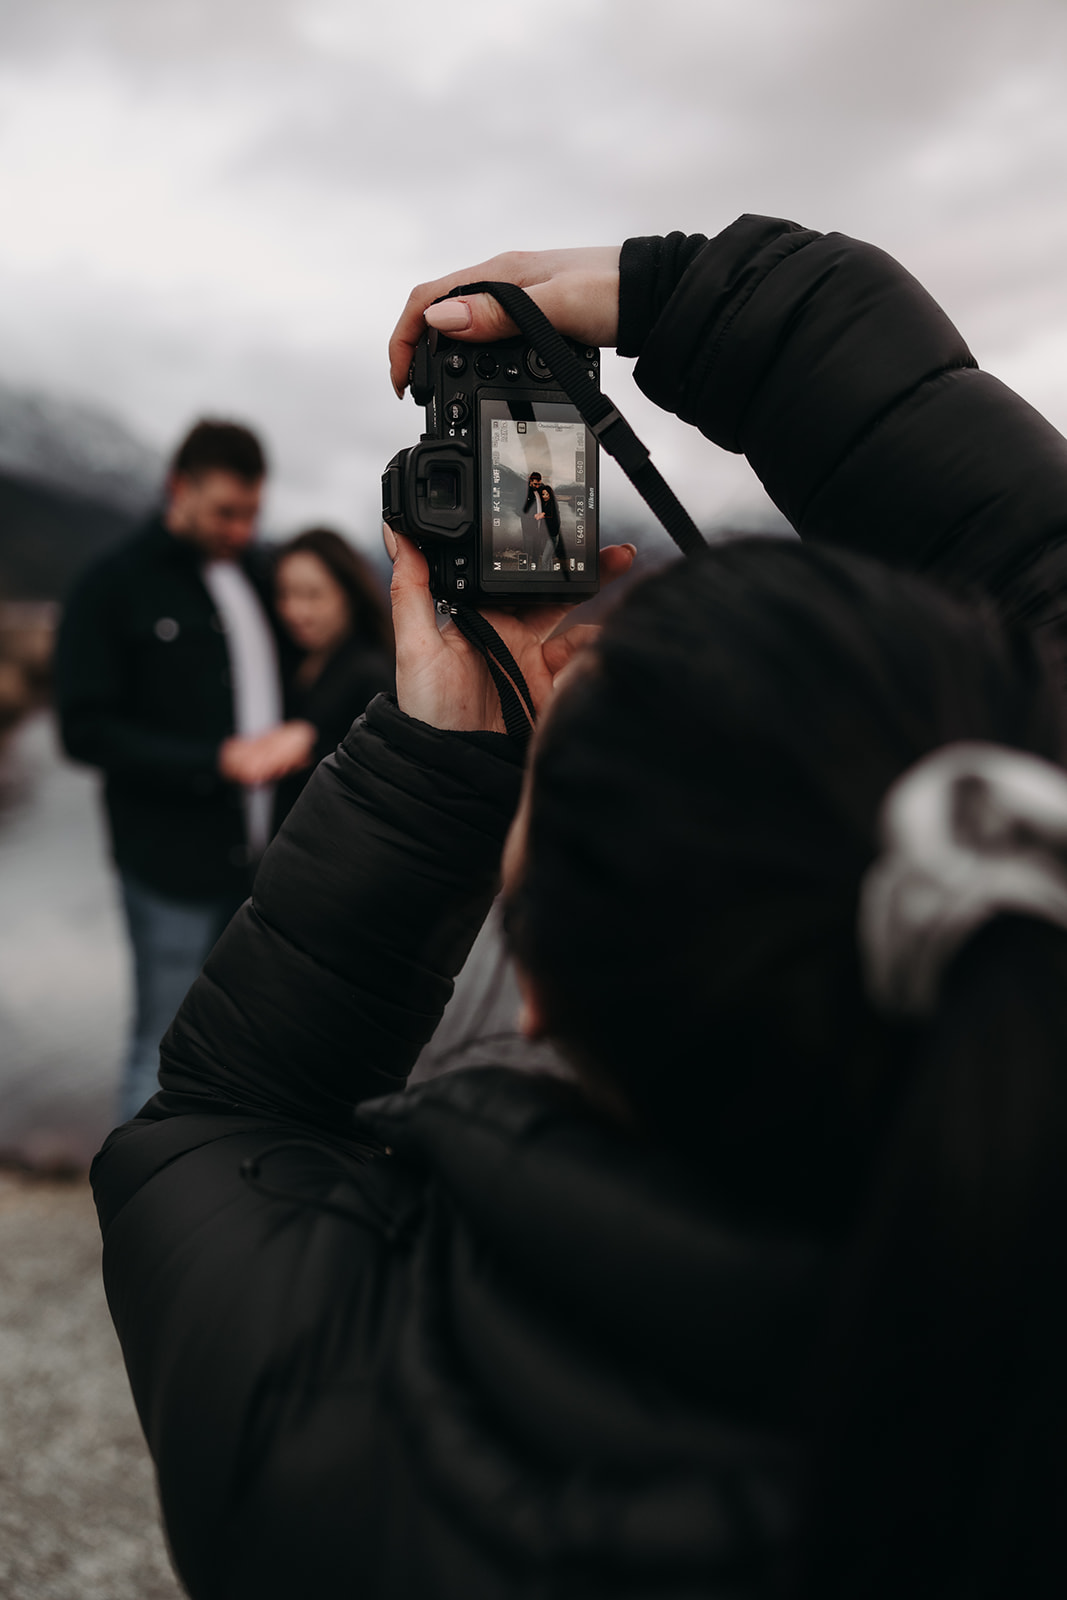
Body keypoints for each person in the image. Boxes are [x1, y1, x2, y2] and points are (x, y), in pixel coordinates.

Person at [91, 219, 1067, 1599]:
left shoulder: (335, 1445)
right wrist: (714, 303)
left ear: (535, 994)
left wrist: (440, 759)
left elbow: (211, 1124)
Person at [58, 420, 314, 1122]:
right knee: (160, 1043)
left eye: (252, 512)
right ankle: (135, 1218)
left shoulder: (262, 576)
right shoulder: (111, 585)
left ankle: (219, 1208)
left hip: (263, 863)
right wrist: (215, 761)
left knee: (251, 1043)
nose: (241, 527)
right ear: (179, 488)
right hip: (167, 864)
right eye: (226, 511)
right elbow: (82, 731)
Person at [272, 526, 395, 825]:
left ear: (349, 594)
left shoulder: (371, 674)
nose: (294, 611)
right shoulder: (288, 658)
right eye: (285, 594)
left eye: (313, 594)